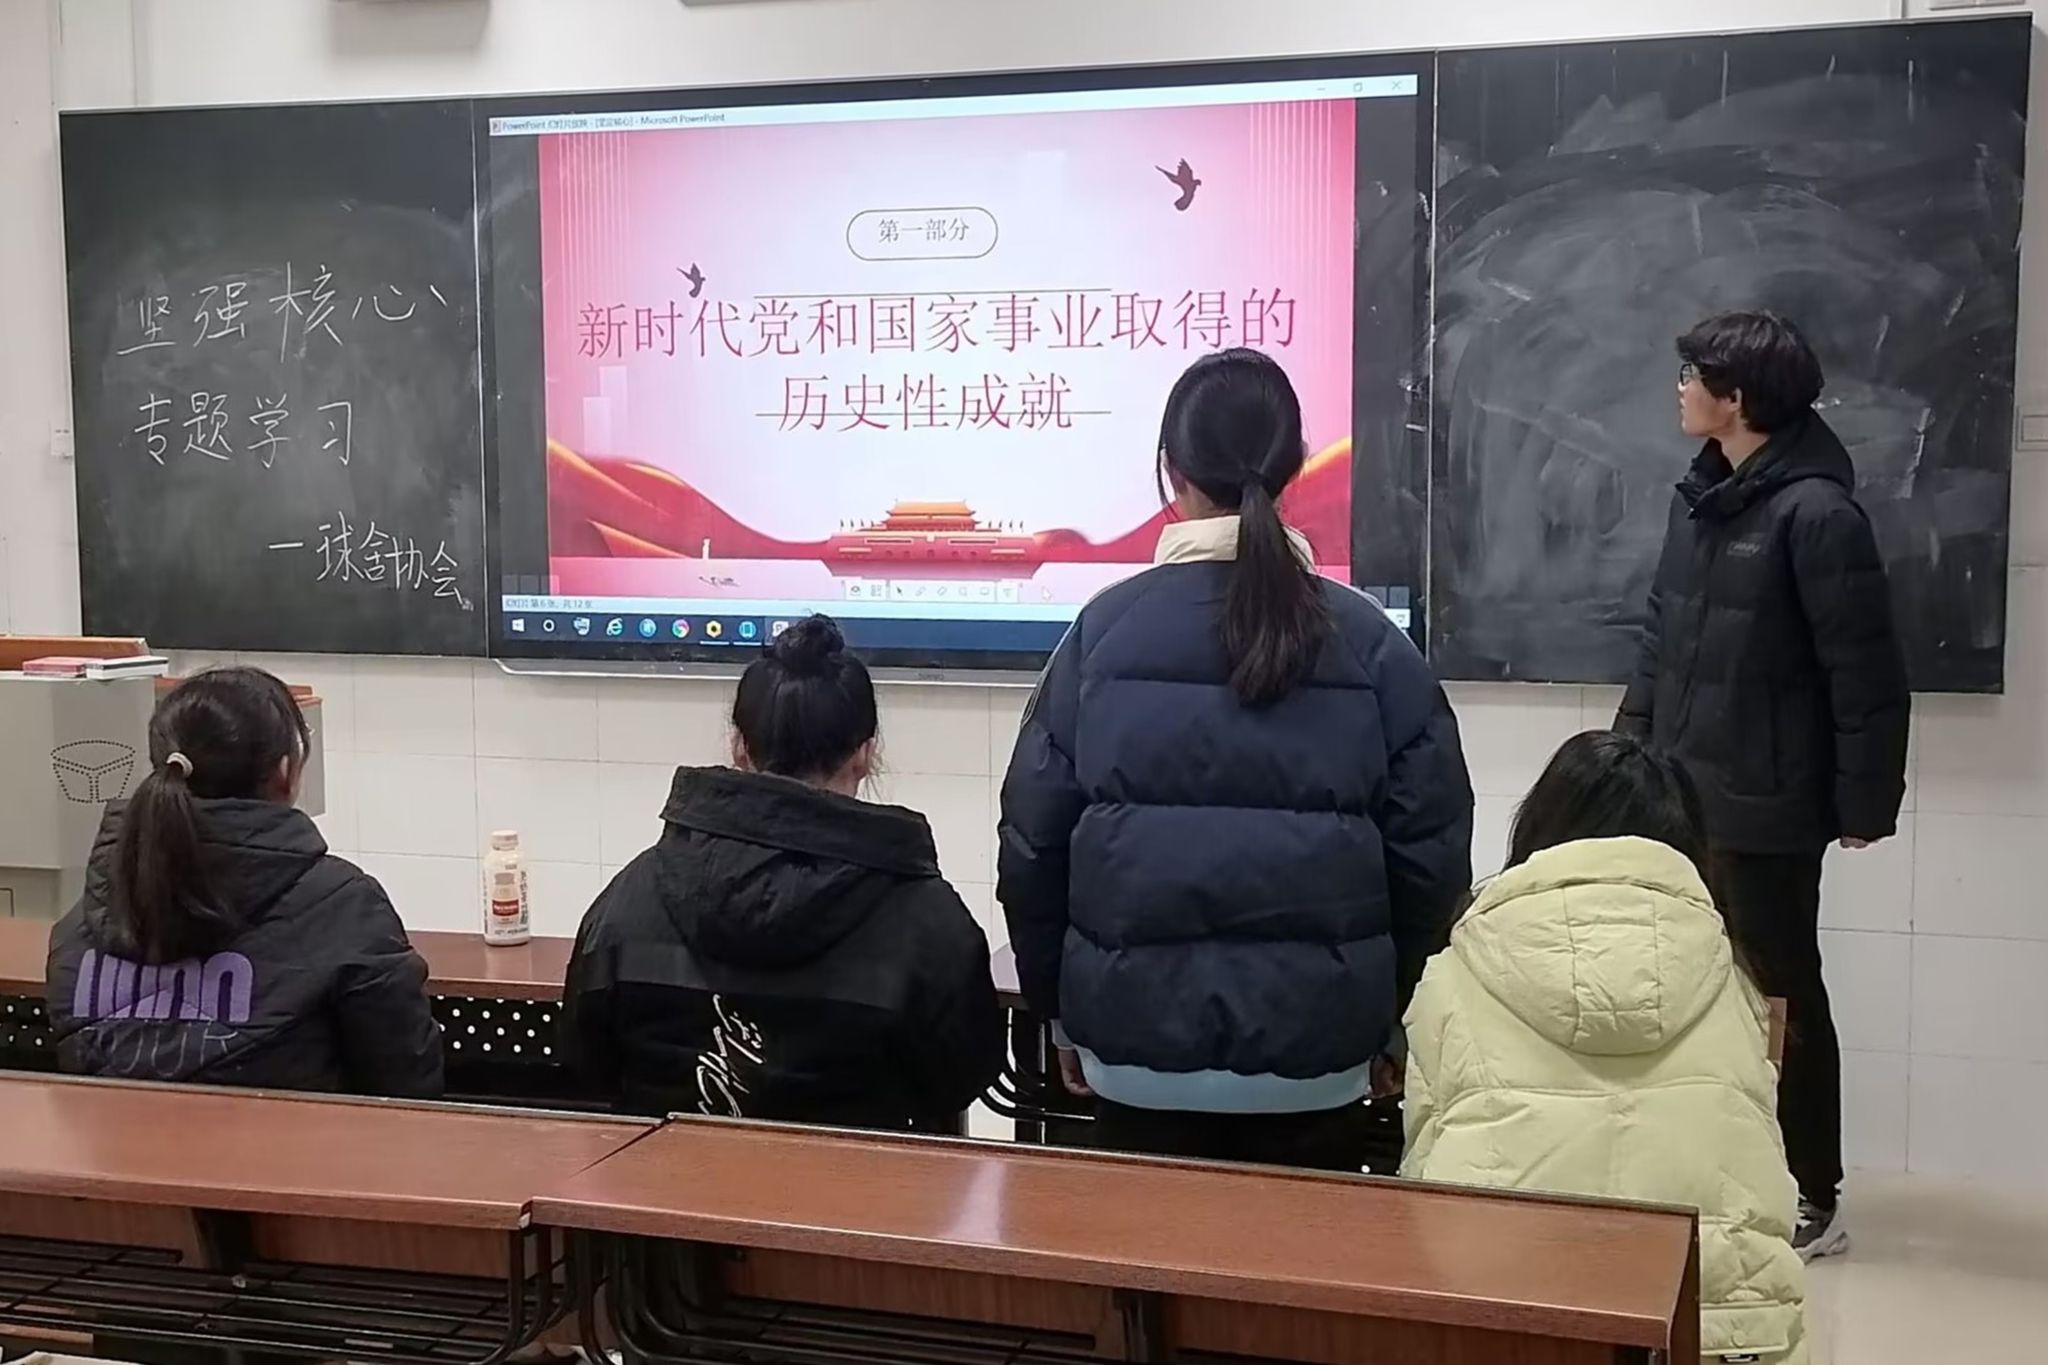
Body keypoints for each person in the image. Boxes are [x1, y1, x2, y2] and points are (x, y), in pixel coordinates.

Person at [998, 348, 1473, 1172]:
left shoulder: (1099, 636)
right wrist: (1391, 1021)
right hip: (1320, 1063)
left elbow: (1032, 848)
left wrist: (1065, 1016)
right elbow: (1430, 857)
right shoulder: (1371, 644)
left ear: (1172, 472)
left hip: (1134, 1059)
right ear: (1292, 468)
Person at [1618, 311, 1910, 1259]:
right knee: (1698, 990)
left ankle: (1812, 1189)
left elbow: (1865, 672)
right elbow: (1660, 639)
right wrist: (1630, 757)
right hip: (1685, 792)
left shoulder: (1817, 515)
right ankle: (1720, 1169)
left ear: (1737, 399)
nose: (1680, 389)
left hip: (1770, 803)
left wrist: (1864, 803)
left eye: (1693, 375)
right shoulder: (1701, 497)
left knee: (1784, 991)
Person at [1402, 731, 1808, 1364]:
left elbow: (1423, 1161)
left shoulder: (1456, 971)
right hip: (1719, 1325)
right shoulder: (1734, 981)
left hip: (1496, 1314)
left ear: (1540, 829)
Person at [565, 614, 1004, 1129]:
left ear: (739, 746)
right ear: (865, 754)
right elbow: (961, 1076)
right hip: (858, 1182)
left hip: (662, 1176)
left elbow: (586, 1059)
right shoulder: (928, 920)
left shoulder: (630, 898)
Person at [44, 667, 442, 1097]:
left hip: (107, 1141)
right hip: (298, 1142)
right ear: (285, 772)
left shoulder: (83, 922)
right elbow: (405, 1085)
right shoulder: (345, 908)